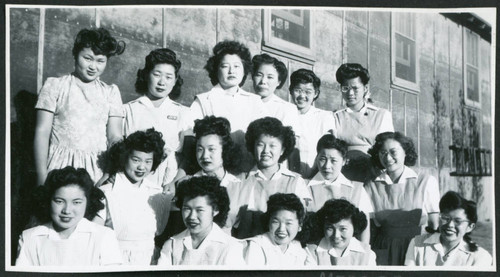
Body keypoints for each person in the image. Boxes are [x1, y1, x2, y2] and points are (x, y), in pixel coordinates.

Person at [34, 28, 126, 185]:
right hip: (60, 168)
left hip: (98, 171)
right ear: (75, 54)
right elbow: (42, 132)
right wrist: (42, 176)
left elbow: (114, 137)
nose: (93, 66)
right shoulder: (55, 86)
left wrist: (111, 172)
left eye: (100, 61)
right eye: (88, 58)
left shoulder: (111, 92)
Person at [16, 167, 122, 266]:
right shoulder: (30, 238)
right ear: (48, 200)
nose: (67, 210)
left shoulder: (104, 236)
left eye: (76, 202)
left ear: (88, 202)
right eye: (59, 201)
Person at [188, 40, 265, 174]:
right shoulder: (203, 100)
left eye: (236, 66)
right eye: (225, 66)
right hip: (212, 171)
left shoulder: (255, 101)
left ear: (244, 70)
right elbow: (191, 140)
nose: (231, 71)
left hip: (248, 171)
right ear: (216, 69)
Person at [96, 129, 171, 265]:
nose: (141, 167)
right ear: (125, 158)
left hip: (148, 261)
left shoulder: (158, 194)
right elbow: (95, 233)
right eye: (136, 160)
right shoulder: (107, 192)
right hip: (114, 260)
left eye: (148, 161)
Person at [228, 117, 311, 239]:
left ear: (282, 149)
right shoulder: (239, 181)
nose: (266, 151)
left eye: (273, 146)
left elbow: (299, 223)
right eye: (260, 145)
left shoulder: (295, 181)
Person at [365, 131, 440, 265]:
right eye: (383, 153)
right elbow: (370, 228)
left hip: (416, 247)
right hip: (383, 249)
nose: (388, 158)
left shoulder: (425, 181)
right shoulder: (371, 186)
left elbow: (434, 225)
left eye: (393, 152)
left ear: (405, 152)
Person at [162, 116, 242, 239]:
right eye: (200, 149)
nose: (205, 156)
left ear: (224, 150)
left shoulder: (238, 185)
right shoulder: (186, 183)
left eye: (211, 149)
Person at [123, 48, 189, 188]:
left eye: (168, 77)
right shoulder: (129, 109)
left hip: (170, 184)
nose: (162, 82)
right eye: (157, 74)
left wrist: (174, 182)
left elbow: (187, 157)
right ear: (147, 75)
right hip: (133, 182)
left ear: (175, 80)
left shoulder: (184, 113)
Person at [157, 176, 245, 266]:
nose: (192, 217)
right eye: (187, 209)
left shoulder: (230, 247)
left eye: (199, 210)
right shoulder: (172, 244)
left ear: (215, 210)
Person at [331, 63, 394, 182]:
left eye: (355, 88)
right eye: (345, 88)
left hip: (373, 172)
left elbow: (388, 148)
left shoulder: (381, 115)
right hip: (344, 173)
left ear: (365, 88)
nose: (350, 93)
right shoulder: (335, 116)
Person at [307, 134, 372, 244]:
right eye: (322, 159)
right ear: (316, 158)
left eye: (333, 160)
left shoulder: (357, 189)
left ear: (344, 161)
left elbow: (365, 231)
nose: (327, 166)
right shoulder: (303, 187)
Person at [405, 191, 493, 266]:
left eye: (458, 221)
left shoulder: (480, 257)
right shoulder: (417, 244)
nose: (450, 225)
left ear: (470, 227)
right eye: (445, 218)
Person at [252, 53, 301, 172]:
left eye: (270, 77)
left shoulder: (287, 109)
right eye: (259, 75)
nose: (263, 81)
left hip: (276, 171)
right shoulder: (243, 103)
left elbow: (294, 148)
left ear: (279, 81)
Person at [245, 193, 314, 266]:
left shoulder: (298, 249)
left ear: (300, 226)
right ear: (268, 222)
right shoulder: (257, 245)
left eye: (288, 223)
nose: (281, 229)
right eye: (276, 222)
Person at [289, 69, 334, 179]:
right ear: (291, 91)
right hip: (287, 176)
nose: (302, 95)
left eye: (308, 92)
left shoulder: (324, 117)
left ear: (316, 93)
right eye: (298, 90)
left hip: (314, 175)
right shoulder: (285, 113)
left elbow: (328, 149)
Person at [305, 199, 376, 266]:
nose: (336, 235)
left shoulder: (368, 254)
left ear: (354, 227)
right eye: (330, 228)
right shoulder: (311, 252)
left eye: (343, 229)